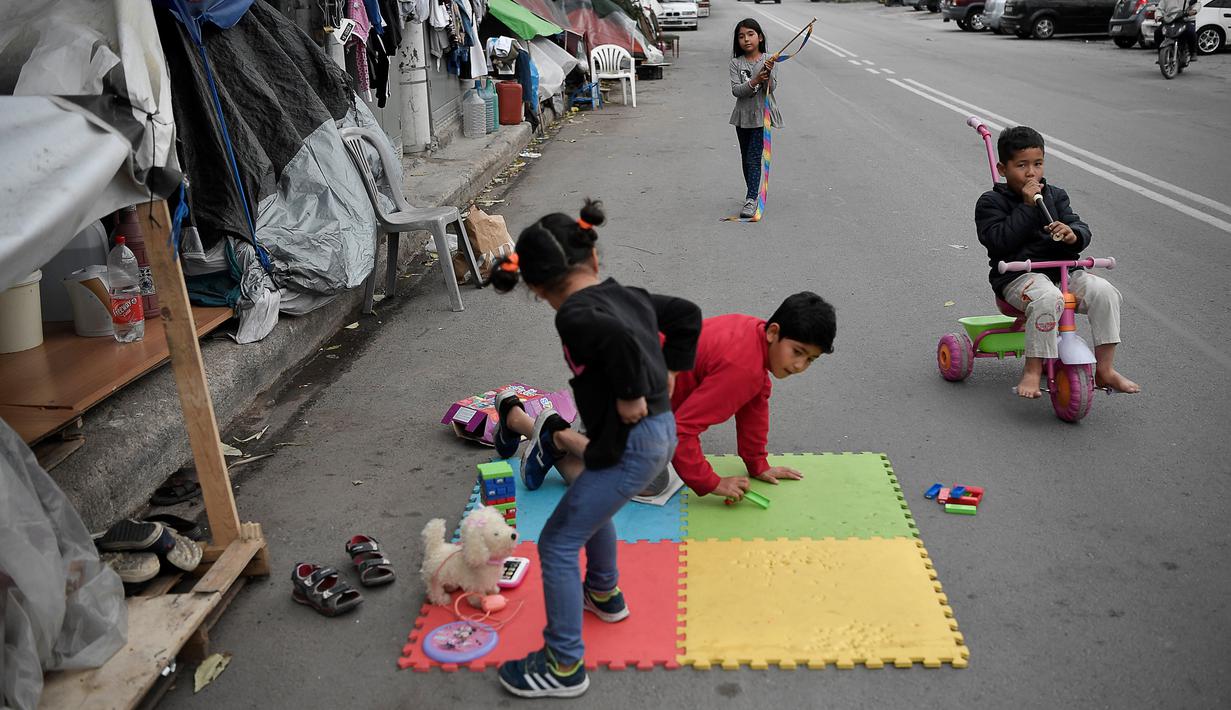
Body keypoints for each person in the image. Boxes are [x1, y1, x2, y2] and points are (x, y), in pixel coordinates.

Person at [488, 199, 701, 698]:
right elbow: (687, 315)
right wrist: (669, 371)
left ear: (538, 289)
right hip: (651, 434)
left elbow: (620, 343)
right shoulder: (627, 295)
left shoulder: (577, 315)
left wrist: (632, 392)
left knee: (557, 543)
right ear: (595, 258)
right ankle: (604, 592)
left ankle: (564, 665)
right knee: (588, 500)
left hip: (634, 441)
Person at [498, 293, 836, 501]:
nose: (800, 365)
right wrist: (711, 483)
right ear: (774, 333)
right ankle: (556, 437)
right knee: (644, 483)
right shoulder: (743, 368)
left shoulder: (755, 338)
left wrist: (757, 464)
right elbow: (683, 431)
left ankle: (516, 417)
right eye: (798, 352)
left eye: (811, 359)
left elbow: (754, 407)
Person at [975, 126, 1140, 400]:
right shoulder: (991, 202)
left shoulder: (1056, 195)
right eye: (1021, 165)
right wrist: (1027, 208)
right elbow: (999, 242)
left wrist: (1073, 234)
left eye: (1037, 164)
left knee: (1105, 292)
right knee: (1049, 298)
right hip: (1018, 277)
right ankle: (1032, 369)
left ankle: (1106, 369)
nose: (1031, 173)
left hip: (1064, 271)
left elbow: (1079, 225)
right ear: (1003, 169)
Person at [729, 18, 781, 219]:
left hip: (762, 116)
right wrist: (755, 80)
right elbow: (737, 90)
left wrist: (767, 76)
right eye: (741, 36)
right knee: (746, 157)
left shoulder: (769, 60)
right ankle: (751, 191)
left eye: (750, 34)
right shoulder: (735, 63)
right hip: (742, 117)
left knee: (753, 157)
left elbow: (772, 88)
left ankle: (751, 198)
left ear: (759, 37)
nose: (746, 39)